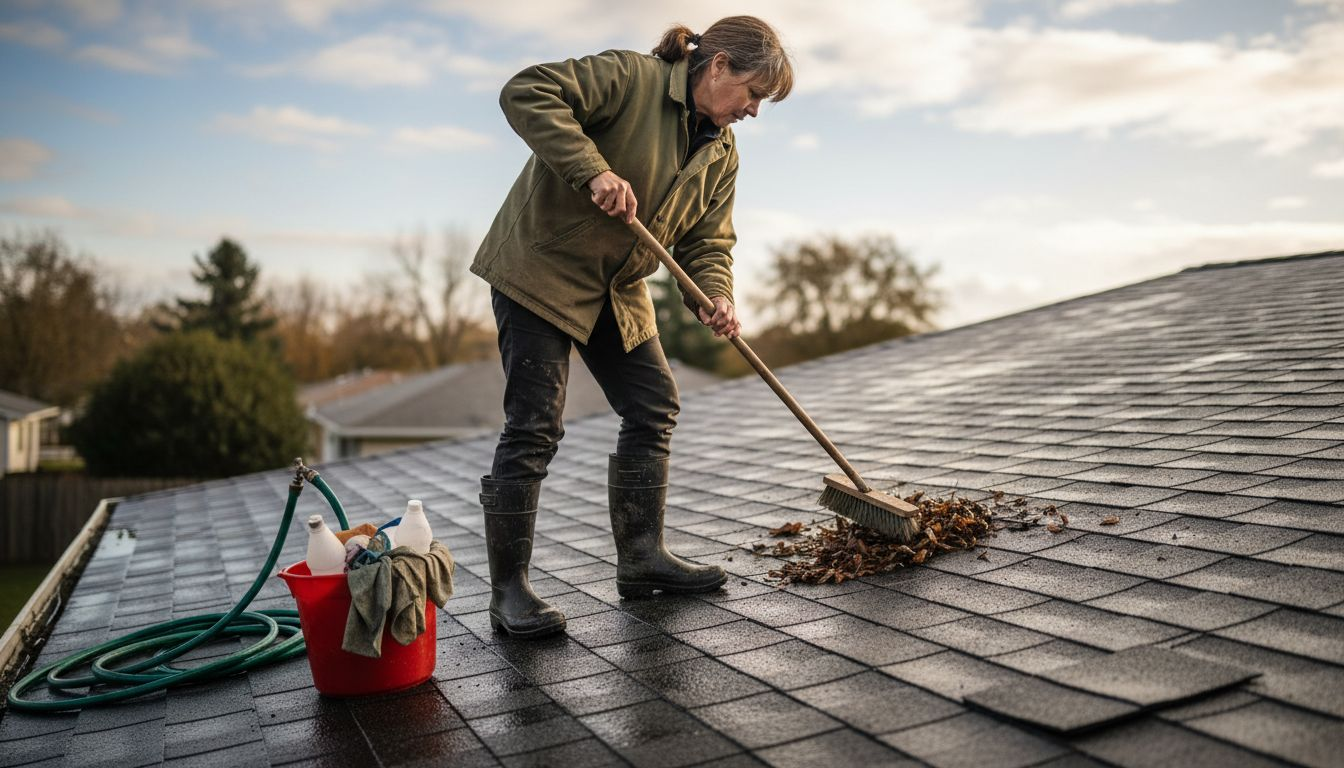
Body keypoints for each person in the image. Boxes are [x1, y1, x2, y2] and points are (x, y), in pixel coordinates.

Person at [471, 16, 794, 638]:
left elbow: (708, 240)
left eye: (763, 102)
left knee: (653, 404)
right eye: (753, 93)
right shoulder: (632, 78)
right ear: (719, 64)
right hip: (540, 268)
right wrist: (592, 169)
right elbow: (525, 90)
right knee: (536, 424)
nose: (754, 111)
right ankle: (509, 593)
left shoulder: (721, 152)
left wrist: (715, 294)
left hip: (615, 289)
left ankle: (642, 559)